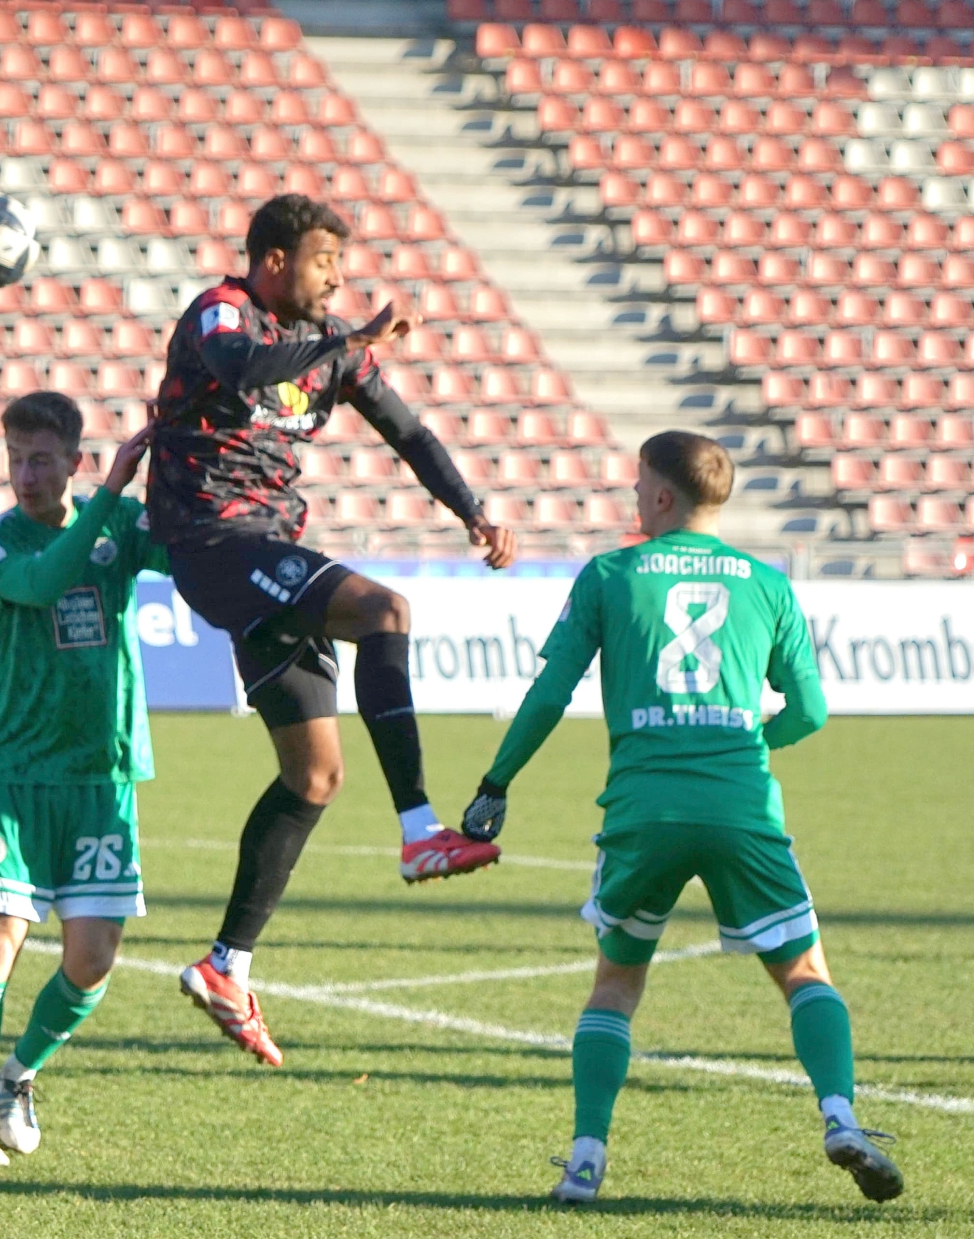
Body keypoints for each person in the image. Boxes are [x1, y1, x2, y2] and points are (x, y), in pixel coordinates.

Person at [458, 431, 902, 1204]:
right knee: (803, 972)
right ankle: (840, 1116)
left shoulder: (610, 574)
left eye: (638, 484)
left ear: (662, 495)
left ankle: (586, 1159)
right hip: (741, 803)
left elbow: (551, 691)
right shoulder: (768, 584)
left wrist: (496, 782)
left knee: (615, 984)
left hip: (644, 807)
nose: (633, 495)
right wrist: (746, 743)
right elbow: (810, 710)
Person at [148, 193, 518, 1066]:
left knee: (313, 775)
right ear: (275, 261)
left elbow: (408, 431)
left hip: (267, 545)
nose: (337, 280)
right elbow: (241, 367)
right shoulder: (222, 311)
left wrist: (471, 510)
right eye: (324, 263)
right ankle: (421, 829)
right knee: (386, 611)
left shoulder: (330, 344)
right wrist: (354, 338)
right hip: (213, 539)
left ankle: (226, 965)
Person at [0, 396, 160, 1165]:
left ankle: (18, 1073)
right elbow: (40, 582)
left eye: (41, 459)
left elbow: (192, 554)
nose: (26, 475)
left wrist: (183, 463)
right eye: (15, 459)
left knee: (93, 957)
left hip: (103, 773)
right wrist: (110, 495)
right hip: (17, 773)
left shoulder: (120, 527)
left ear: (74, 459)